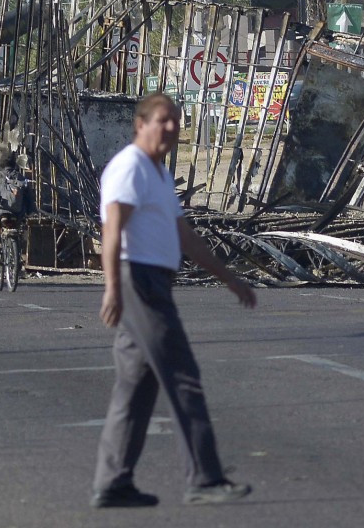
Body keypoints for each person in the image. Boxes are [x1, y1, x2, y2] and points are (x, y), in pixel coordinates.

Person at [91, 93, 257, 509]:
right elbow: (113, 234)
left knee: (135, 387)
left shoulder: (159, 175)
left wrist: (231, 279)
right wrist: (112, 288)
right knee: (183, 375)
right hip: (139, 281)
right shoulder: (129, 168)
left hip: (155, 280)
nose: (171, 128)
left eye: (176, 122)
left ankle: (112, 483)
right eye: (163, 120)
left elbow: (187, 238)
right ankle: (204, 477)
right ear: (140, 124)